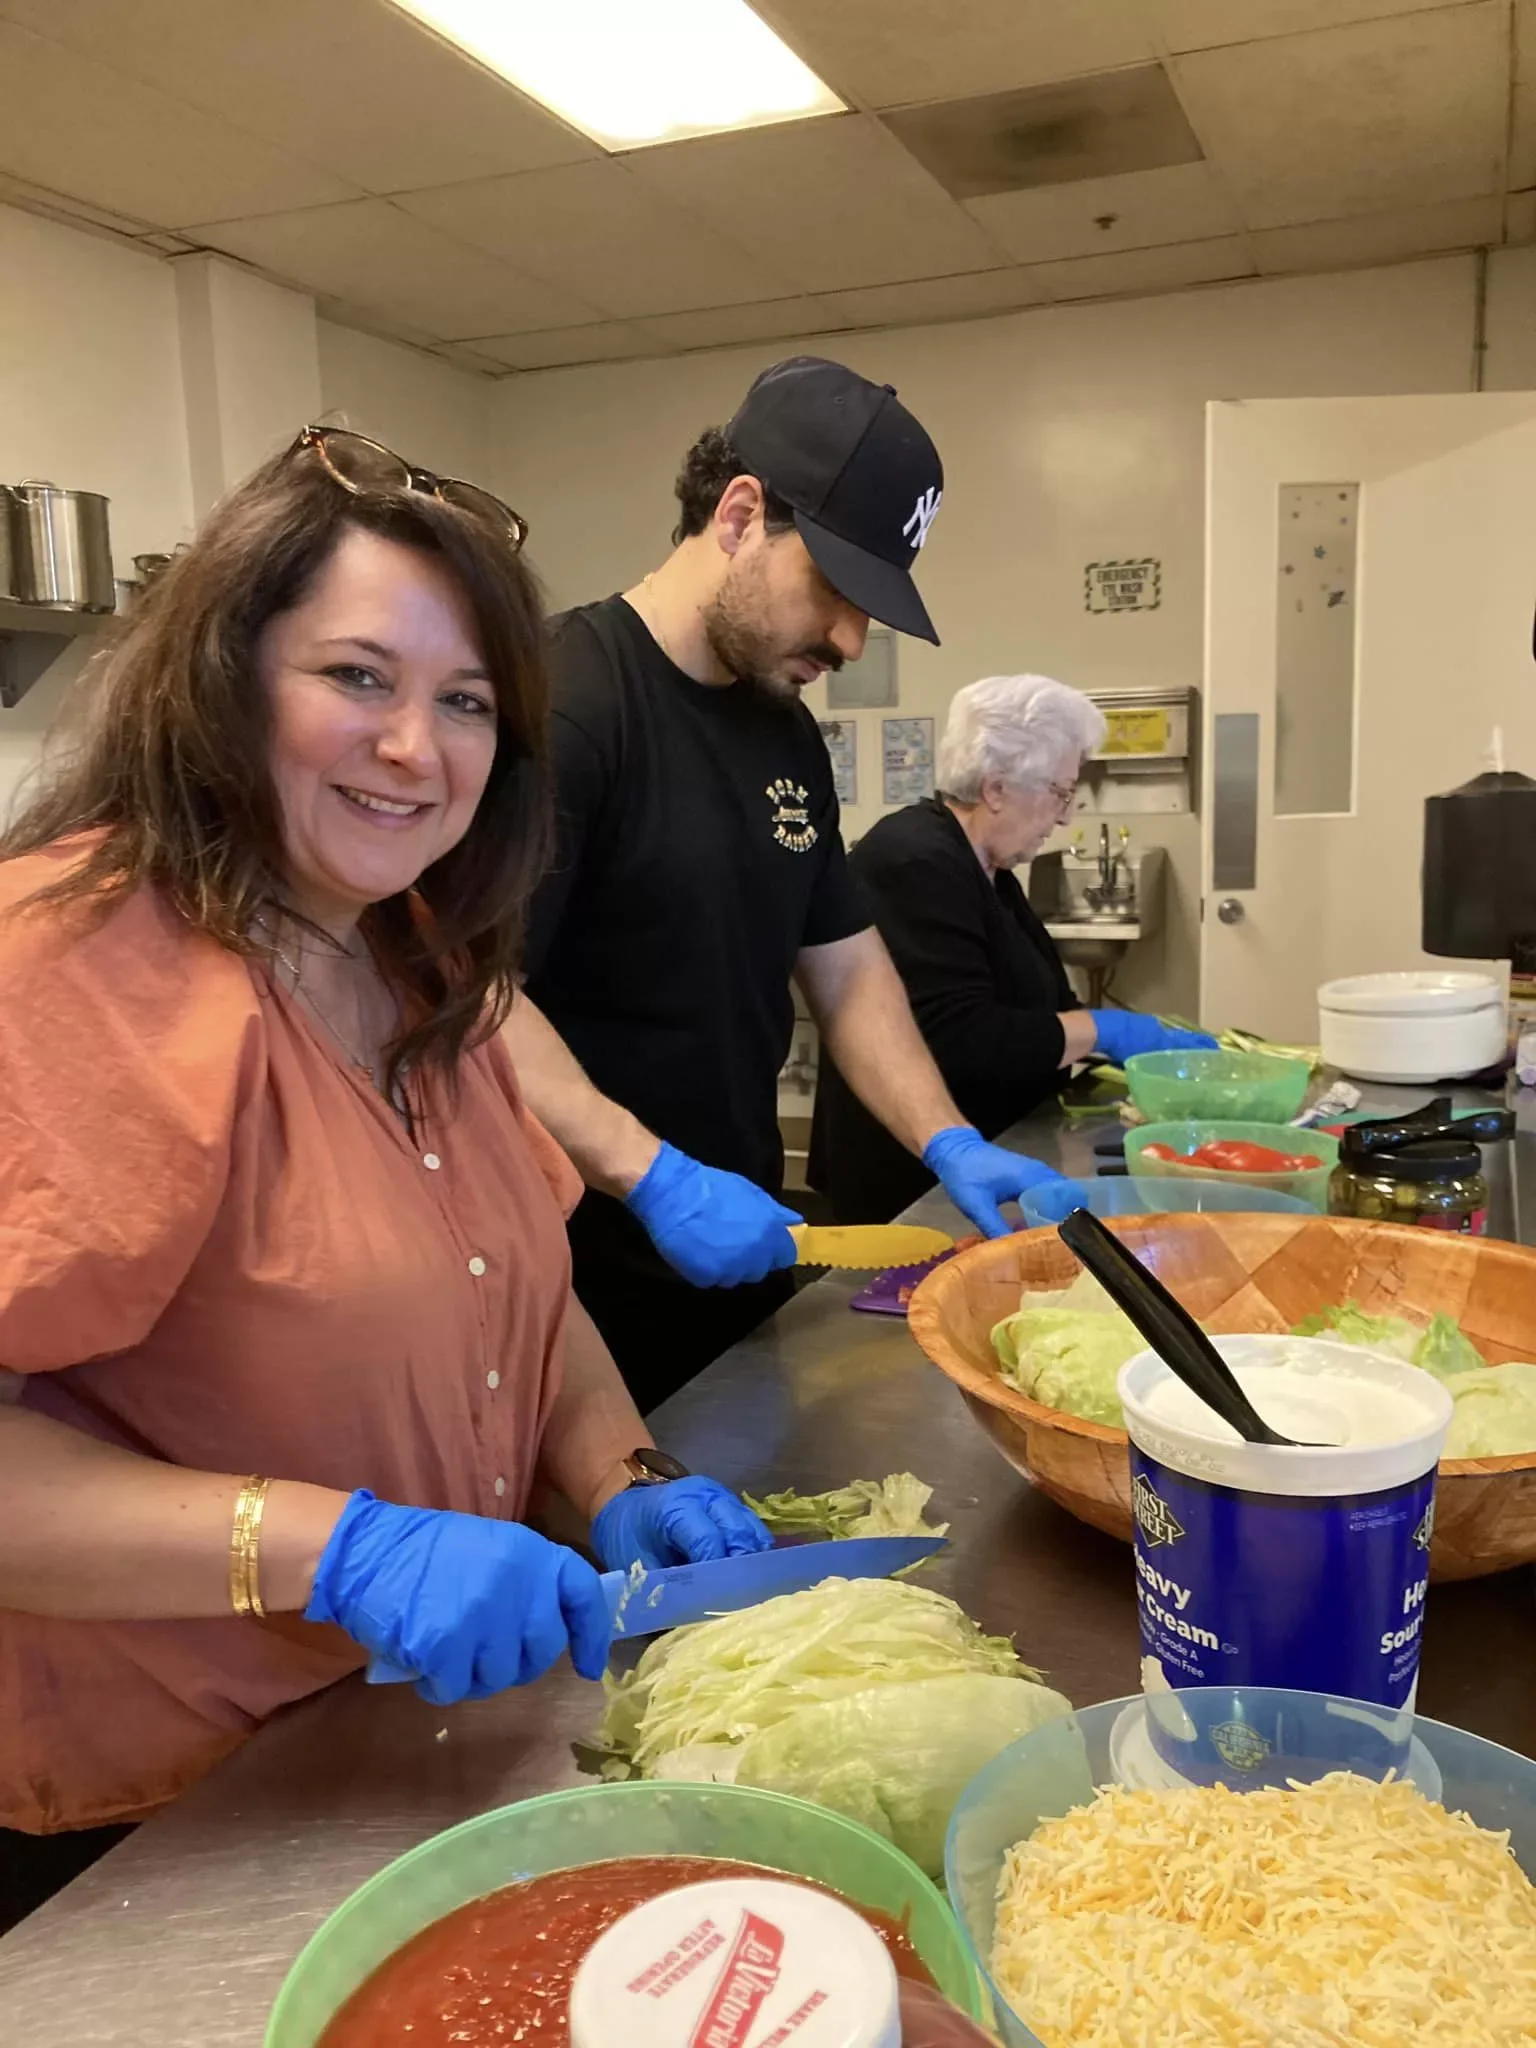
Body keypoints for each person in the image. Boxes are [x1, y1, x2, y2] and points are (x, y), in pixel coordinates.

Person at [0, 425, 768, 1929]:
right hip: (157, 1823)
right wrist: (336, 1550)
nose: (418, 747)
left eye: (466, 702)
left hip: (394, 1754)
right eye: (359, 677)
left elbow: (524, 1293)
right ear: (225, 680)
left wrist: (623, 1472)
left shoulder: (419, 960)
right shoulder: (68, 962)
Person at [505, 358, 1061, 1410]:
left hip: (741, 1245)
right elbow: (471, 995)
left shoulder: (784, 733)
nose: (852, 640)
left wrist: (948, 1140)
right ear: (741, 512)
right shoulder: (569, 704)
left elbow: (846, 966)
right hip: (581, 1281)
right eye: (839, 592)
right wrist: (649, 1172)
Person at [809, 674, 1216, 1221]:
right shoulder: (915, 861)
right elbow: (962, 1039)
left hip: (982, 1155)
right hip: (911, 1182)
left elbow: (1031, 1003)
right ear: (996, 787)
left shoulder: (987, 867)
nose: (1068, 815)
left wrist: (1120, 1040)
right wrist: (1107, 1030)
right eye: (1061, 793)